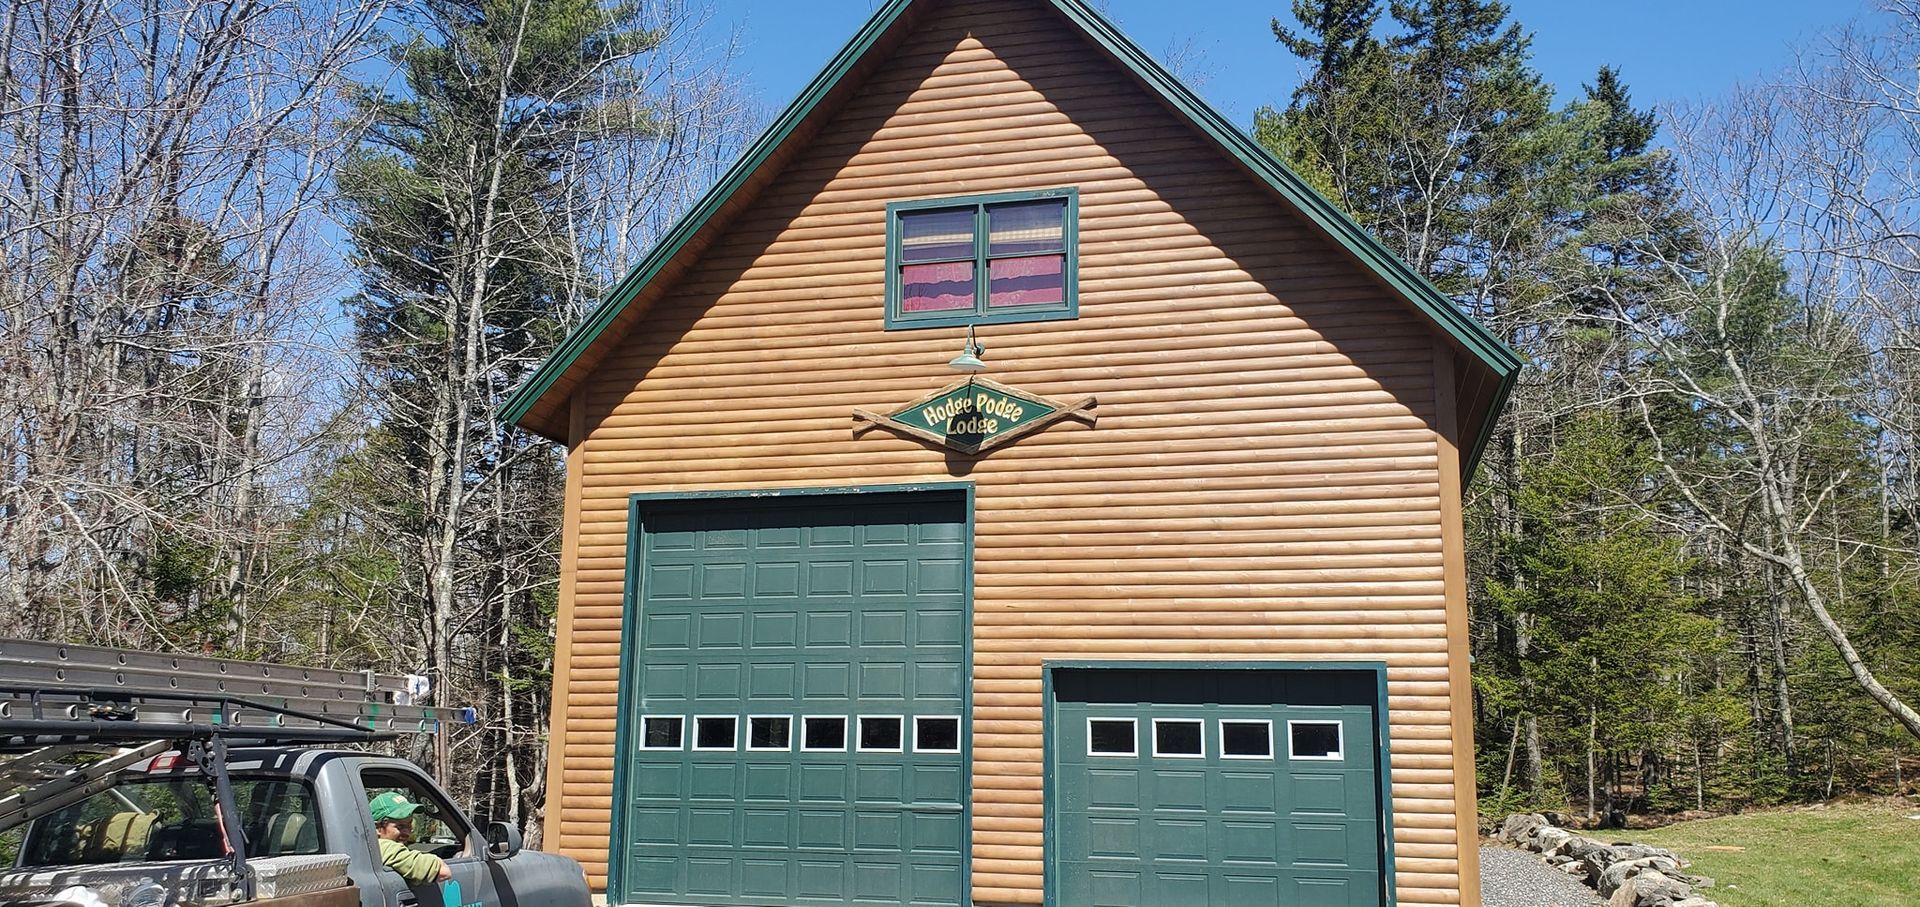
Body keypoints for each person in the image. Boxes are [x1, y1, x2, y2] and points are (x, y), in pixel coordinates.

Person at [368, 791, 453, 885]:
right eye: (400, 826)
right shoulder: (383, 847)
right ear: (377, 828)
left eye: (410, 823)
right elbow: (443, 872)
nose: (408, 831)